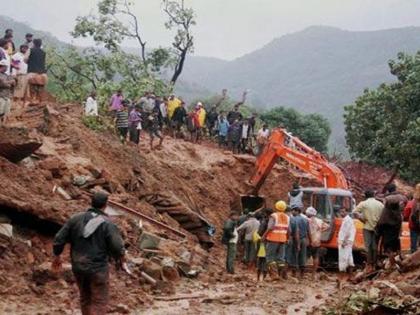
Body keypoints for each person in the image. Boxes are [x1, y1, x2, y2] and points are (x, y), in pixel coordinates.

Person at [52, 192, 125, 315]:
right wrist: (121, 258)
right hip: (98, 269)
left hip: (78, 266)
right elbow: (117, 247)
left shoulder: (75, 218)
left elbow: (59, 238)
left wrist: (57, 255)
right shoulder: (108, 224)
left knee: (85, 298)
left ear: (91, 203)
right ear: (105, 205)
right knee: (99, 301)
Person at [353, 189, 384, 271]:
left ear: (366, 196)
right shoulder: (380, 204)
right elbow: (383, 216)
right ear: (373, 195)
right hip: (377, 228)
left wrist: (362, 219)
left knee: (368, 246)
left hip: (367, 227)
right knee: (375, 246)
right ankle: (374, 264)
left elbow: (354, 213)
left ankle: (369, 264)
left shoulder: (363, 203)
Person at [263, 200, 289, 279]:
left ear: (276, 207)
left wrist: (264, 236)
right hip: (283, 239)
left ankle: (274, 275)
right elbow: (289, 229)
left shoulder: (274, 216)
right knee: (281, 258)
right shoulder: (287, 217)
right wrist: (287, 238)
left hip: (273, 239)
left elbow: (270, 227)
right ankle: (283, 275)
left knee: (270, 257)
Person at [306, 207, 329, 278]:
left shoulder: (307, 220)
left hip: (309, 241)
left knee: (305, 257)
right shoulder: (319, 221)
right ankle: (313, 274)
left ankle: (302, 273)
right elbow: (327, 226)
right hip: (317, 241)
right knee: (315, 257)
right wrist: (320, 231)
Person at [289, 206, 311, 278]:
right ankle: (302, 274)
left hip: (295, 239)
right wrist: (310, 241)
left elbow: (295, 232)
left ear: (297, 211)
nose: (292, 212)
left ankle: (294, 273)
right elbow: (309, 231)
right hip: (304, 239)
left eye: (293, 211)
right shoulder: (305, 219)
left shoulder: (293, 219)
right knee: (303, 256)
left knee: (294, 255)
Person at [338, 207, 355, 286]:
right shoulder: (347, 220)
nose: (341, 213)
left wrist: (344, 241)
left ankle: (342, 277)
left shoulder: (347, 220)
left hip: (345, 242)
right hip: (347, 242)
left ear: (347, 212)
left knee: (343, 259)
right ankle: (350, 276)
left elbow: (347, 232)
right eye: (340, 212)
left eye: (343, 211)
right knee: (349, 258)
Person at [26, 39, 47, 104]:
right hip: (42, 73)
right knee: (40, 88)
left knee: (32, 87)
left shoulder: (30, 50)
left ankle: (32, 100)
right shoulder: (43, 52)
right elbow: (44, 62)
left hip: (32, 72)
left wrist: (29, 62)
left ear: (34, 44)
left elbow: (25, 59)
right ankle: (39, 100)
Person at [403, 184, 420, 254]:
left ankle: (413, 255)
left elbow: (406, 214)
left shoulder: (412, 202)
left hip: (414, 225)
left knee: (413, 243)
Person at [0, 59, 16, 126]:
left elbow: (13, 83)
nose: (6, 68)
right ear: (2, 66)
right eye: (5, 67)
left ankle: (4, 125)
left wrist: (8, 83)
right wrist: (10, 83)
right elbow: (2, 84)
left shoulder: (6, 75)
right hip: (1, 96)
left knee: (6, 112)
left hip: (7, 95)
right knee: (0, 111)